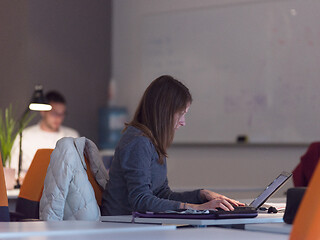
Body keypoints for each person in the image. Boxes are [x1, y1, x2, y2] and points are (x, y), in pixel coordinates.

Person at [101, 75, 244, 216]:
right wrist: (196, 208)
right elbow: (140, 200)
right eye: (181, 113)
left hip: (137, 225)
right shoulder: (138, 142)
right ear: (165, 112)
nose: (183, 122)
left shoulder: (151, 141)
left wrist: (201, 195)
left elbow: (162, 194)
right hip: (121, 226)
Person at [9, 91, 79, 181]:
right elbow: (12, 170)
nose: (58, 118)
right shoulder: (25, 136)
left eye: (62, 114)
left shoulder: (72, 136)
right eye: (54, 113)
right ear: (43, 111)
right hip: (31, 188)